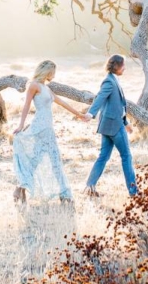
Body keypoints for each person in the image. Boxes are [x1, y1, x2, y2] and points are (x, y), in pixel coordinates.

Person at [12, 59, 87, 204]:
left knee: (42, 159)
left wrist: (79, 115)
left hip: (48, 128)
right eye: (53, 72)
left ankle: (20, 188)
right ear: (47, 71)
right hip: (40, 127)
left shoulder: (46, 88)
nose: (54, 75)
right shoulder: (34, 85)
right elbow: (26, 105)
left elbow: (62, 103)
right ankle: (64, 194)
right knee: (51, 159)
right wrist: (21, 125)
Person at [84, 54, 138, 197]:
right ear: (115, 66)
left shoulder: (114, 80)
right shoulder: (109, 81)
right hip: (114, 126)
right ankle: (134, 192)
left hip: (110, 125)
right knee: (126, 156)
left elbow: (118, 105)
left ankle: (89, 187)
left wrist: (126, 123)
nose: (124, 68)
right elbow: (100, 98)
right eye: (123, 65)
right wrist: (91, 113)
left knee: (103, 157)